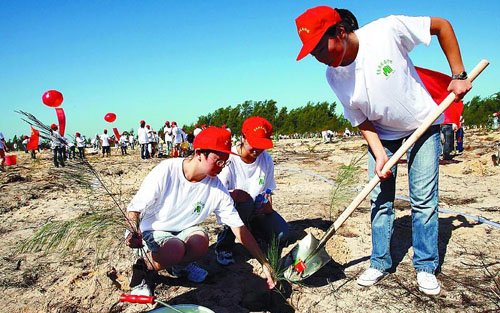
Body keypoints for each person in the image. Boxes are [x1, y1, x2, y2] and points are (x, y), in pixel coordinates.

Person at [295, 6, 471, 295]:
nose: (317, 57)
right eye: (311, 51)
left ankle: (425, 265)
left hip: (423, 125)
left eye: (318, 47)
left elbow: (441, 25)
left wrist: (458, 73)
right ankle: (379, 261)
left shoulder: (386, 31)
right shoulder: (333, 75)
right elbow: (360, 118)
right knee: (379, 199)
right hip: (383, 135)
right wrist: (379, 154)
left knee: (424, 199)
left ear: (340, 32)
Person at [125, 127, 276, 296]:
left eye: (225, 162)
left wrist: (263, 261)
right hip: (149, 231)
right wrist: (133, 231)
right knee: (175, 249)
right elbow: (134, 209)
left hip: (180, 232)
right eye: (218, 161)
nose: (221, 167)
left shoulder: (216, 187)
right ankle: (141, 273)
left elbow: (238, 227)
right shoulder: (167, 170)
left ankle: (179, 266)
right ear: (199, 154)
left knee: (200, 241)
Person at [215, 117, 289, 265]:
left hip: (256, 210)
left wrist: (267, 206)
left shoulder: (266, 160)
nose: (257, 150)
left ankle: (253, 231)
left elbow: (267, 190)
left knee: (282, 234)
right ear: (243, 138)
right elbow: (216, 192)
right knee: (245, 202)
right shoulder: (229, 158)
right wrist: (233, 194)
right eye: (253, 144)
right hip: (234, 209)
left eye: (261, 145)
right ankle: (224, 245)